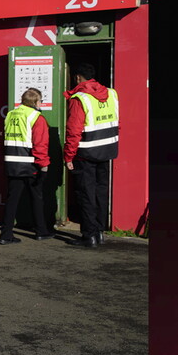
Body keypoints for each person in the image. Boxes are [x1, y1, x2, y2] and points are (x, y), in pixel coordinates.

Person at [63, 63, 119, 247]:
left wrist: (69, 156)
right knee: (101, 192)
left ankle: (89, 236)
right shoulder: (111, 93)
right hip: (106, 150)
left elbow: (73, 130)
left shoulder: (80, 98)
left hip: (85, 153)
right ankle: (100, 233)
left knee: (86, 194)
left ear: (78, 77)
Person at [0, 88, 54, 244]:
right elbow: (40, 144)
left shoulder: (10, 115)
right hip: (30, 164)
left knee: (12, 199)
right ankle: (41, 231)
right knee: (36, 197)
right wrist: (44, 165)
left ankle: (5, 234)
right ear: (35, 102)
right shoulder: (36, 117)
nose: (41, 103)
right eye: (40, 100)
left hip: (12, 163)